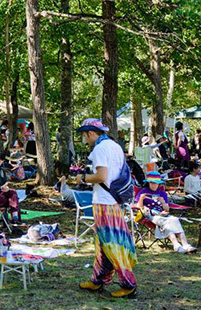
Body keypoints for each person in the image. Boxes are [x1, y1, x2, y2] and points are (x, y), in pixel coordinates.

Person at [75, 118, 137, 298]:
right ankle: (98, 280)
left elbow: (102, 176)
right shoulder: (115, 146)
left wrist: (83, 178)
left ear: (91, 133)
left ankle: (128, 283)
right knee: (103, 243)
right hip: (113, 200)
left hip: (104, 202)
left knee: (113, 244)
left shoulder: (100, 149)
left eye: (85, 136)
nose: (84, 140)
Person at [135, 171, 196, 253]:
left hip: (163, 215)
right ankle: (176, 245)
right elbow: (138, 207)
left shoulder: (162, 193)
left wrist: (163, 202)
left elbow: (167, 209)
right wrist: (141, 198)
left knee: (174, 219)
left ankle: (185, 244)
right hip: (149, 215)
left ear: (159, 184)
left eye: (156, 183)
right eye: (152, 183)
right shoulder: (143, 191)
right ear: (148, 183)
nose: (153, 185)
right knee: (166, 223)